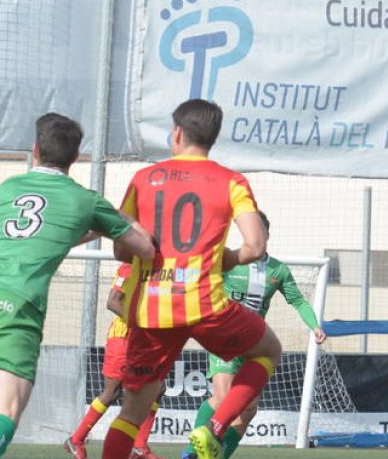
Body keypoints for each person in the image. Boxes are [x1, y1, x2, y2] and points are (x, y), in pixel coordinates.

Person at [0, 113, 155, 459]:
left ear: (34, 149)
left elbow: (44, 235)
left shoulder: (8, 187)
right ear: (76, 158)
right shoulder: (85, 200)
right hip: (16, 303)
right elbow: (144, 248)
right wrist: (120, 219)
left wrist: (95, 228)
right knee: (5, 411)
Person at [101, 99, 283, 459]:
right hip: (205, 304)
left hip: (150, 307)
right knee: (268, 351)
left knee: (131, 413)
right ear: (212, 137)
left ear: (178, 133)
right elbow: (256, 245)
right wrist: (226, 260)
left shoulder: (143, 179)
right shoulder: (232, 181)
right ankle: (214, 427)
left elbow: (122, 250)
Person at [180, 211, 327, 459]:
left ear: (267, 234)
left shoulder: (278, 270)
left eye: (260, 230)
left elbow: (298, 301)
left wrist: (314, 326)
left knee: (248, 410)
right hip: (224, 337)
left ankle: (217, 455)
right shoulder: (231, 260)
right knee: (224, 397)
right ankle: (189, 453)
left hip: (255, 344)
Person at [65, 264, 164, 459]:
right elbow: (112, 302)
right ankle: (76, 439)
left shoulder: (159, 270)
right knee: (112, 392)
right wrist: (140, 323)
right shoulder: (130, 267)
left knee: (158, 388)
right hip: (123, 337)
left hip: (143, 338)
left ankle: (140, 446)